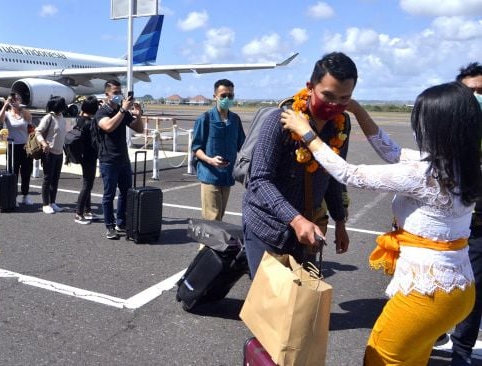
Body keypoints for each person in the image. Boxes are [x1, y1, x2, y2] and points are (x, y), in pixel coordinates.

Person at [281, 81, 482, 365]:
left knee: (379, 357)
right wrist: (357, 108)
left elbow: (350, 174)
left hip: (428, 292)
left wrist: (308, 134)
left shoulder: (424, 174)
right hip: (458, 291)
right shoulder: (461, 165)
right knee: (413, 358)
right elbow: (392, 152)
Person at [242, 52, 353, 275]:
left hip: (307, 229)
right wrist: (295, 219)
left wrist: (340, 222)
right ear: (310, 87)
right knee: (272, 304)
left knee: (300, 303)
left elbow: (333, 176)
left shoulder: (341, 126)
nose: (334, 105)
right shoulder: (279, 121)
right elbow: (259, 179)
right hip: (268, 227)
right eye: (328, 96)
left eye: (344, 99)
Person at [447, 61, 482, 366]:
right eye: (472, 92)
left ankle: (461, 350)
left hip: (478, 225)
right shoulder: (447, 131)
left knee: (475, 289)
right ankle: (434, 335)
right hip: (449, 225)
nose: (477, 99)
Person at [95, 80, 144, 240]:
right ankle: (109, 226)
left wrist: (139, 115)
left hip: (123, 158)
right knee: (109, 194)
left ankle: (121, 222)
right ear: (107, 94)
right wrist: (123, 109)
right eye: (115, 93)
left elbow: (139, 128)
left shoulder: (122, 112)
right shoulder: (102, 112)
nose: (118, 95)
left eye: (119, 92)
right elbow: (108, 126)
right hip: (108, 159)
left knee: (126, 192)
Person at [191, 79, 245, 221]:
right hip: (210, 175)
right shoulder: (205, 119)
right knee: (212, 218)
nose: (227, 99)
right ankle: (207, 244)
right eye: (223, 96)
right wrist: (210, 160)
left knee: (219, 216)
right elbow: (196, 148)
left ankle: (212, 243)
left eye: (230, 96)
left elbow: (243, 146)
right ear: (215, 96)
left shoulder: (235, 120)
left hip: (227, 176)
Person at [0, 93, 33, 205]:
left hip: (25, 146)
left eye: (17, 99)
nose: (14, 101)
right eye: (12, 100)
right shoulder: (7, 114)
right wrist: (6, 104)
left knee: (26, 172)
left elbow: (29, 119)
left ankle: (25, 195)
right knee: (13, 172)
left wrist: (20, 107)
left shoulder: (24, 113)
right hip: (12, 146)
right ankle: (13, 196)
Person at [36, 96, 67, 214]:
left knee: (55, 179)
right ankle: (45, 204)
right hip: (49, 152)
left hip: (59, 153)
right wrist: (44, 144)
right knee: (47, 178)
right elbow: (38, 131)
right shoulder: (48, 117)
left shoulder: (61, 116)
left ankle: (52, 202)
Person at [73, 95, 100, 224]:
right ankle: (79, 213)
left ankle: (87, 210)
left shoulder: (80, 119)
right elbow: (95, 141)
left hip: (83, 155)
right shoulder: (91, 123)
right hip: (90, 156)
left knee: (87, 183)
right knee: (87, 184)